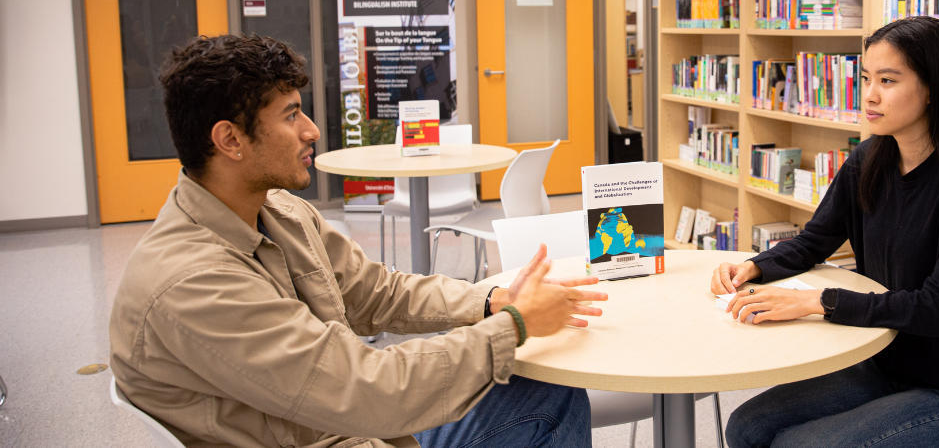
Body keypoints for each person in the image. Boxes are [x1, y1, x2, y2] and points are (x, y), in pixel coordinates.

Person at [109, 34, 607, 448]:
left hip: (342, 427)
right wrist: (514, 326)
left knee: (551, 392)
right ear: (230, 140)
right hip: (339, 428)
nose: (311, 131)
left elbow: (375, 292)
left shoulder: (278, 210)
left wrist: (491, 302)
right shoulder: (193, 283)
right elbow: (368, 391)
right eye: (290, 115)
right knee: (539, 388)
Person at [713, 17, 939, 448]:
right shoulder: (869, 159)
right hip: (881, 363)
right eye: (866, 78)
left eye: (887, 80)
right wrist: (753, 267)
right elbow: (815, 240)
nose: (869, 94)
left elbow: (938, 308)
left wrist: (817, 301)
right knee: (746, 426)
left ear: (933, 88)